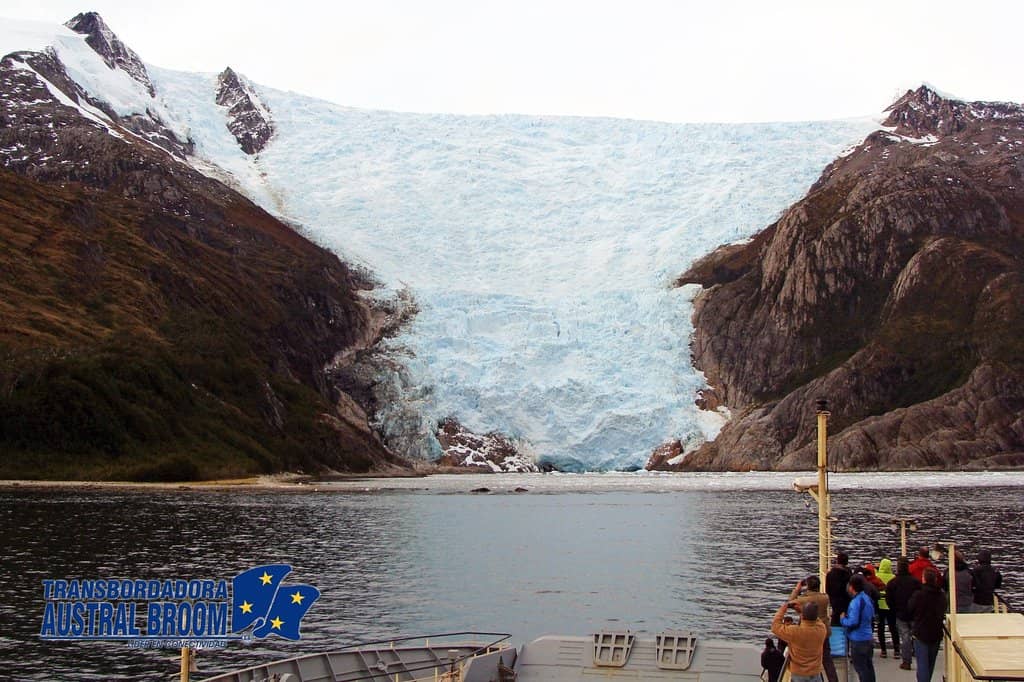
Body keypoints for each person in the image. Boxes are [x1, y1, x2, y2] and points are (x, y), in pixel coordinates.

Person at [789, 577, 839, 682]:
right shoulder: (825, 598)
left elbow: (790, 602)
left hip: (808, 633)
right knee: (827, 659)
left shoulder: (804, 600)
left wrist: (797, 589)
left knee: (809, 658)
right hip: (823, 632)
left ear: (807, 586)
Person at [771, 598, 827, 682]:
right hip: (815, 672)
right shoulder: (821, 629)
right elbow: (815, 619)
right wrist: (802, 612)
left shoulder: (795, 631)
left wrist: (782, 609)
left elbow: (775, 627)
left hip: (798, 673)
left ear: (803, 616)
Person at [909, 568, 947, 682]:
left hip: (921, 633)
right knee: (930, 664)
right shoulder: (941, 596)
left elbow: (910, 609)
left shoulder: (918, 595)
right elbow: (944, 609)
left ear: (924, 579)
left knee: (922, 665)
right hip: (936, 632)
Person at [885, 557, 920, 670]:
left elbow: (888, 599)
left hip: (900, 613)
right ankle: (920, 658)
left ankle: (906, 661)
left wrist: (894, 609)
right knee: (917, 636)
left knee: (905, 637)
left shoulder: (892, 583)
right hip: (914, 613)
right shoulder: (915, 582)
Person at [841, 574, 876, 682]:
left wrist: (843, 619)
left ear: (852, 587)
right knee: (869, 667)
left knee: (861, 669)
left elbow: (854, 622)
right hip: (868, 637)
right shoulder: (867, 598)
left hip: (858, 639)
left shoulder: (855, 602)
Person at [875, 558, 900, 659]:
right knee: (893, 628)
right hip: (890, 606)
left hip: (880, 605)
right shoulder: (893, 578)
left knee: (880, 628)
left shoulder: (877, 576)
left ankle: (883, 650)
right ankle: (897, 650)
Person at [826, 552, 853, 625]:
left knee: (835, 619)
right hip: (846, 602)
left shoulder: (830, 574)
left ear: (837, 561)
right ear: (847, 562)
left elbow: (827, 589)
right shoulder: (848, 573)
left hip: (834, 601)